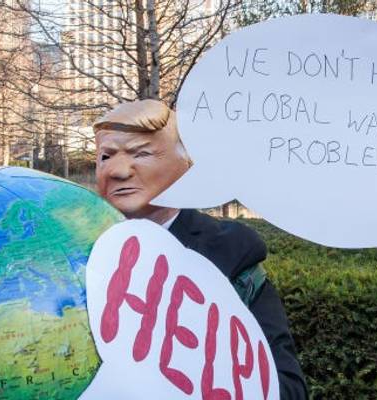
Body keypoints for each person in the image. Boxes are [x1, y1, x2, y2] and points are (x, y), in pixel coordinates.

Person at [93, 99, 308, 399]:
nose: (117, 171)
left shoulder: (231, 254)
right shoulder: (73, 250)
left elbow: (285, 386)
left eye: (141, 153)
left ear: (185, 164)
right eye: (105, 156)